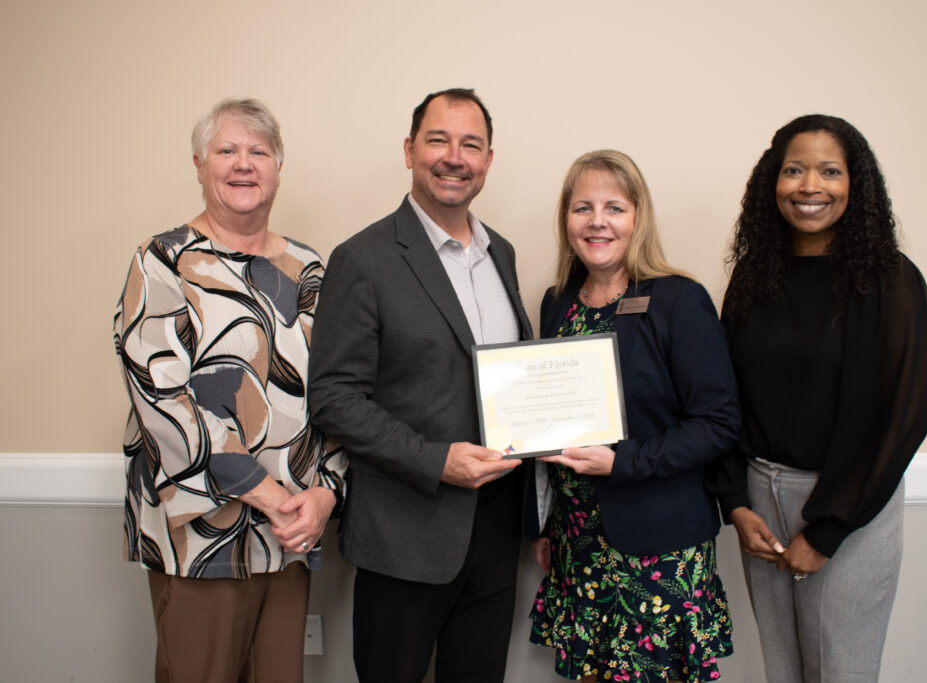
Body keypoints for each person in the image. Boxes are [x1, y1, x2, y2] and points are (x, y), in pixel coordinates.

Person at [113, 97, 346, 683]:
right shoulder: (163, 262)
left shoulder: (309, 270)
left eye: (259, 151)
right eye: (227, 150)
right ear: (199, 164)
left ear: (277, 167)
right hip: (202, 535)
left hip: (291, 532)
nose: (244, 164)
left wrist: (325, 495)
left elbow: (339, 391)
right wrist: (269, 495)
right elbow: (162, 398)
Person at [308, 88, 533, 683]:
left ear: (488, 159)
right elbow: (333, 395)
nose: (454, 157)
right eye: (438, 140)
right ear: (409, 150)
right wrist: (437, 462)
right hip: (406, 531)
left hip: (496, 527)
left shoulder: (501, 254)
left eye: (471, 144)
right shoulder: (364, 257)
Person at [706, 114, 927, 682]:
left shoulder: (893, 282)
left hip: (851, 506)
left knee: (840, 673)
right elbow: (724, 395)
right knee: (783, 672)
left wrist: (828, 529)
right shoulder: (755, 277)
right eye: (795, 170)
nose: (811, 186)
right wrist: (736, 504)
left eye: (830, 171)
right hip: (762, 499)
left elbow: (903, 416)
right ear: (771, 182)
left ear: (856, 185)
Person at [529, 150, 741, 683]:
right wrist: (547, 524)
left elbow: (718, 423)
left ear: (638, 218)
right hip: (579, 541)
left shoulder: (678, 300)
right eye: (583, 207)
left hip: (659, 543)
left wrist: (620, 463)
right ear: (566, 219)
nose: (597, 221)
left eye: (614, 208)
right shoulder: (557, 304)